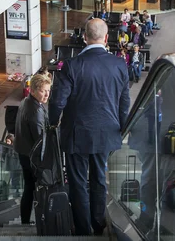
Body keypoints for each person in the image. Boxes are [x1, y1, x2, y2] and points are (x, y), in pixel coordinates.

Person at [49, 19, 130, 236]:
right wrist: (122, 128)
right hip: (107, 133)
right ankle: (98, 223)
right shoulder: (119, 65)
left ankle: (83, 228)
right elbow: (124, 104)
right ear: (106, 38)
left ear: (84, 37)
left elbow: (57, 102)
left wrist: (52, 122)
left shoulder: (71, 66)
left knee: (77, 182)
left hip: (77, 135)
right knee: (99, 179)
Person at [14, 74, 52, 224]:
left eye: (48, 90)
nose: (47, 94)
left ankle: (25, 220)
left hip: (23, 152)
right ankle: (43, 220)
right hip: (32, 157)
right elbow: (40, 139)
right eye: (44, 91)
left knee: (28, 187)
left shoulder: (26, 101)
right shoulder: (35, 110)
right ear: (34, 90)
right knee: (39, 188)